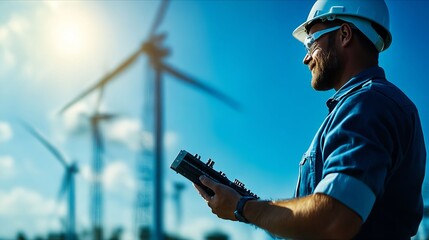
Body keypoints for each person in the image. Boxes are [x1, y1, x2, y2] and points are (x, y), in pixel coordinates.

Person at [195, 0, 427, 239]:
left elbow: (334, 218)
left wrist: (242, 208)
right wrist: (245, 205)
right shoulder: (373, 104)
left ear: (344, 34)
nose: (305, 59)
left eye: (310, 43)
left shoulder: (367, 104)